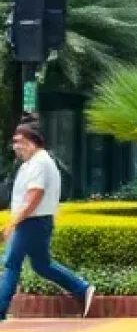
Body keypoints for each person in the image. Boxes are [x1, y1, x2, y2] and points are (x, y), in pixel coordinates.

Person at [0, 124, 95, 321]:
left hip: (32, 221)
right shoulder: (32, 163)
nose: (15, 146)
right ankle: (82, 288)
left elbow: (35, 194)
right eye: (14, 142)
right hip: (34, 221)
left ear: (32, 142)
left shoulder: (40, 163)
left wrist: (14, 222)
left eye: (19, 142)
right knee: (42, 265)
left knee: (11, 263)